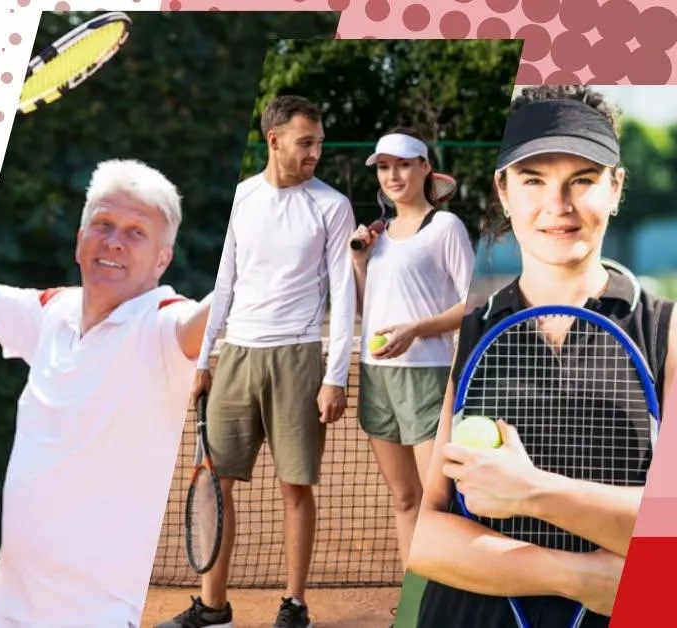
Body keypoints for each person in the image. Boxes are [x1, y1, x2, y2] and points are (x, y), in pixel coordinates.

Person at [408, 85, 677, 628]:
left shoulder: (666, 332)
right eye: (533, 180)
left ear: (616, 187)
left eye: (582, 179)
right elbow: (424, 536)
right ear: (503, 191)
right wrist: (576, 576)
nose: (558, 205)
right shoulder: (467, 335)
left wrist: (530, 490)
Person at [0, 159, 212, 628]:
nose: (114, 241)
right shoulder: (51, 312)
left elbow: (209, 319)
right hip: (13, 612)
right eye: (103, 224)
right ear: (80, 241)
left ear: (162, 260)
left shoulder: (163, 325)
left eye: (137, 232)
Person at [160, 95, 357, 628]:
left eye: (319, 142)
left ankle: (294, 606)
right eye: (305, 142)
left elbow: (343, 293)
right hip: (235, 357)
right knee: (214, 484)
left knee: (295, 488)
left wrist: (335, 377)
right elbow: (224, 283)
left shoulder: (332, 206)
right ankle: (212, 607)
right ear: (274, 140)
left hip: (298, 357)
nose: (315, 152)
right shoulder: (242, 198)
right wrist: (204, 360)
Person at [350, 129, 474, 570]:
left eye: (403, 164)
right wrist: (360, 264)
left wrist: (417, 329)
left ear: (424, 167)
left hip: (426, 374)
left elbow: (472, 306)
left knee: (437, 501)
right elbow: (367, 310)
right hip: (376, 375)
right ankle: (413, 591)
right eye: (384, 167)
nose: (393, 175)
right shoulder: (376, 237)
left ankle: (445, 593)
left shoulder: (445, 228)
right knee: (404, 497)